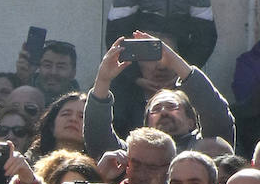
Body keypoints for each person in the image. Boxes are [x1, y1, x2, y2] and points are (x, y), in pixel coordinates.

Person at [84, 34, 234, 158]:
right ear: (147, 124)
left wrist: (173, 60)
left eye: (171, 106)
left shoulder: (208, 148)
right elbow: (99, 139)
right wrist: (103, 79)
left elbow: (216, 113)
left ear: (191, 122)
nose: (163, 112)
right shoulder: (134, 154)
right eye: (156, 109)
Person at [24, 92, 85, 161]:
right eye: (66, 114)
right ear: (52, 125)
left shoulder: (98, 167)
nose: (73, 119)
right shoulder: (29, 161)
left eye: (81, 117)